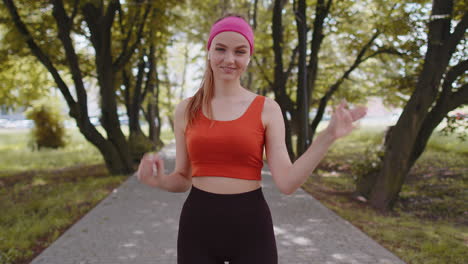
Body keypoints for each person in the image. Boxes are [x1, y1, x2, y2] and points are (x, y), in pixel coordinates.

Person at [136, 13, 367, 264]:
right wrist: (158, 180)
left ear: (249, 56)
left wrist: (328, 136)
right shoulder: (186, 109)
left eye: (239, 51)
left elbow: (287, 183)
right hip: (197, 225)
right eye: (221, 49)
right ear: (209, 50)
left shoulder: (267, 109)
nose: (229, 59)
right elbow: (182, 178)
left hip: (252, 226)